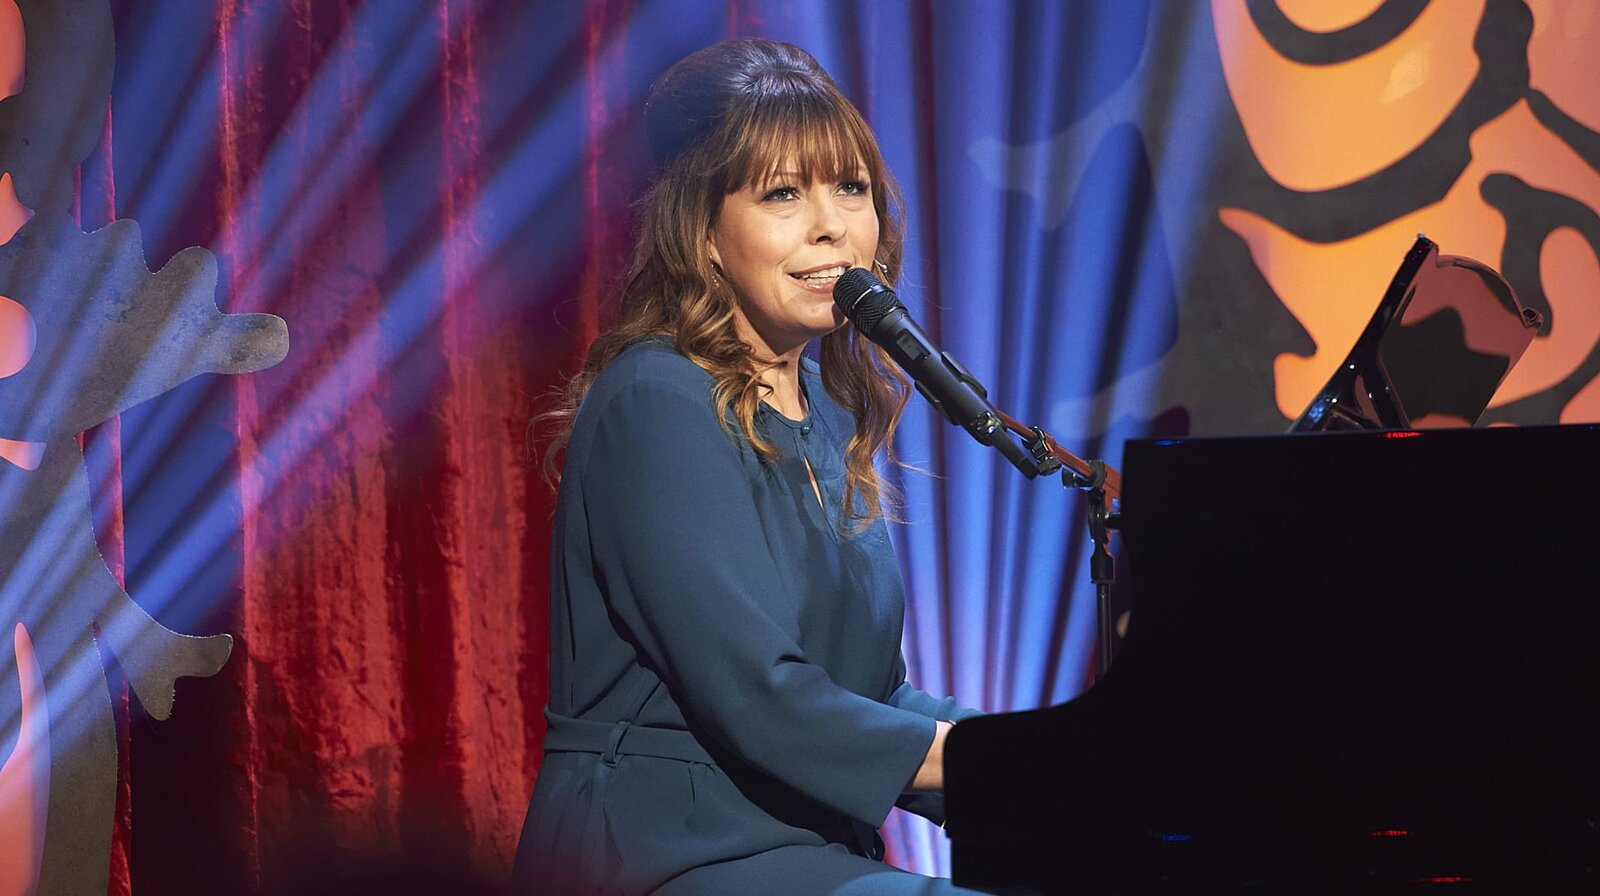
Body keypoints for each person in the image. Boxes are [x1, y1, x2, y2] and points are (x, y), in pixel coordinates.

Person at [515, 39, 984, 895]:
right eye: (782, 193)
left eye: (851, 187)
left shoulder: (825, 413)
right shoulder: (656, 400)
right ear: (703, 231)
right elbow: (761, 697)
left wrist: (1047, 752)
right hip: (666, 851)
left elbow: (873, 694)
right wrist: (1004, 764)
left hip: (802, 848)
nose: (832, 224)